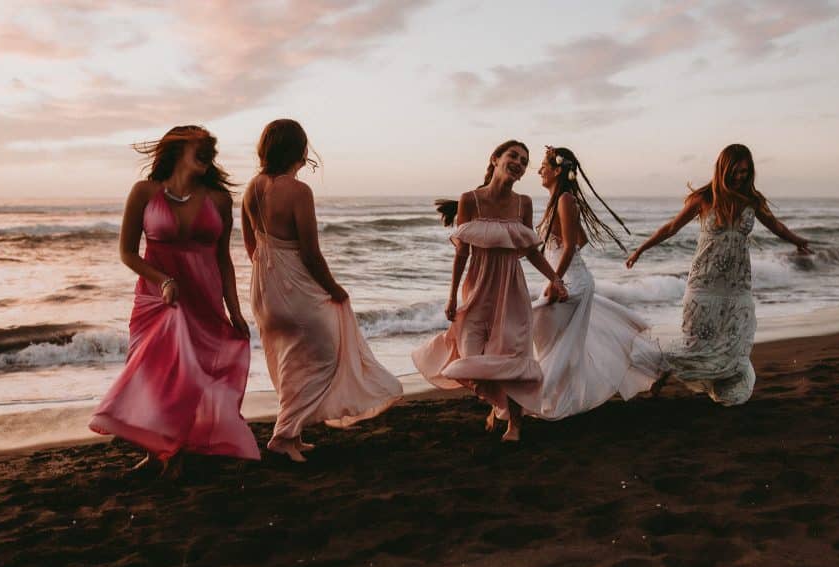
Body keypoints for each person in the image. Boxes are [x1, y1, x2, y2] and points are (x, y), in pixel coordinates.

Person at [89, 125, 260, 477]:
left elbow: (224, 259)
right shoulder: (144, 192)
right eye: (202, 147)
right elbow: (126, 253)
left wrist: (235, 308)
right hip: (156, 300)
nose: (210, 153)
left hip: (204, 297)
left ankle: (177, 453)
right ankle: (157, 453)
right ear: (177, 151)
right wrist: (163, 280)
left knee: (194, 375)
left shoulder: (217, 200)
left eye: (211, 149)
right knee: (154, 375)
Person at [243, 119, 402, 463]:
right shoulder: (299, 192)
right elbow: (310, 253)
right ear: (298, 149)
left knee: (290, 361)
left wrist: (268, 273)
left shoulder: (252, 188)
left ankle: (293, 435)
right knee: (324, 357)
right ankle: (283, 435)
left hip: (263, 288)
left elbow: (249, 244)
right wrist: (335, 289)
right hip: (295, 287)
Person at [626, 143, 812, 405]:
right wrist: (640, 250)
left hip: (737, 285)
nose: (741, 177)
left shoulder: (752, 201)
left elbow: (775, 225)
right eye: (736, 171)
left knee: (733, 340)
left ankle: (713, 379)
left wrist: (796, 240)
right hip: (704, 281)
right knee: (696, 341)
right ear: (724, 169)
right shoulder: (704, 198)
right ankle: (664, 369)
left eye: (745, 172)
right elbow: (670, 228)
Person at [414, 140, 568, 442]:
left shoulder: (524, 203)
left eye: (524, 161)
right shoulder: (470, 200)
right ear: (495, 159)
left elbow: (531, 251)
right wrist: (452, 295)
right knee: (472, 358)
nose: (519, 163)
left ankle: (515, 425)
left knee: (511, 357)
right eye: (513, 156)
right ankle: (498, 403)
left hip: (511, 290)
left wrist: (556, 279)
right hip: (477, 290)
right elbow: (462, 253)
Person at [529, 146, 662, 419]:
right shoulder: (558, 201)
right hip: (571, 279)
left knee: (542, 326)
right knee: (554, 340)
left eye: (543, 165)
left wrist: (555, 280)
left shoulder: (564, 200)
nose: (539, 170)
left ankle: (541, 396)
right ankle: (553, 395)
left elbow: (568, 247)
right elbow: (580, 240)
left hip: (572, 283)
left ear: (556, 171)